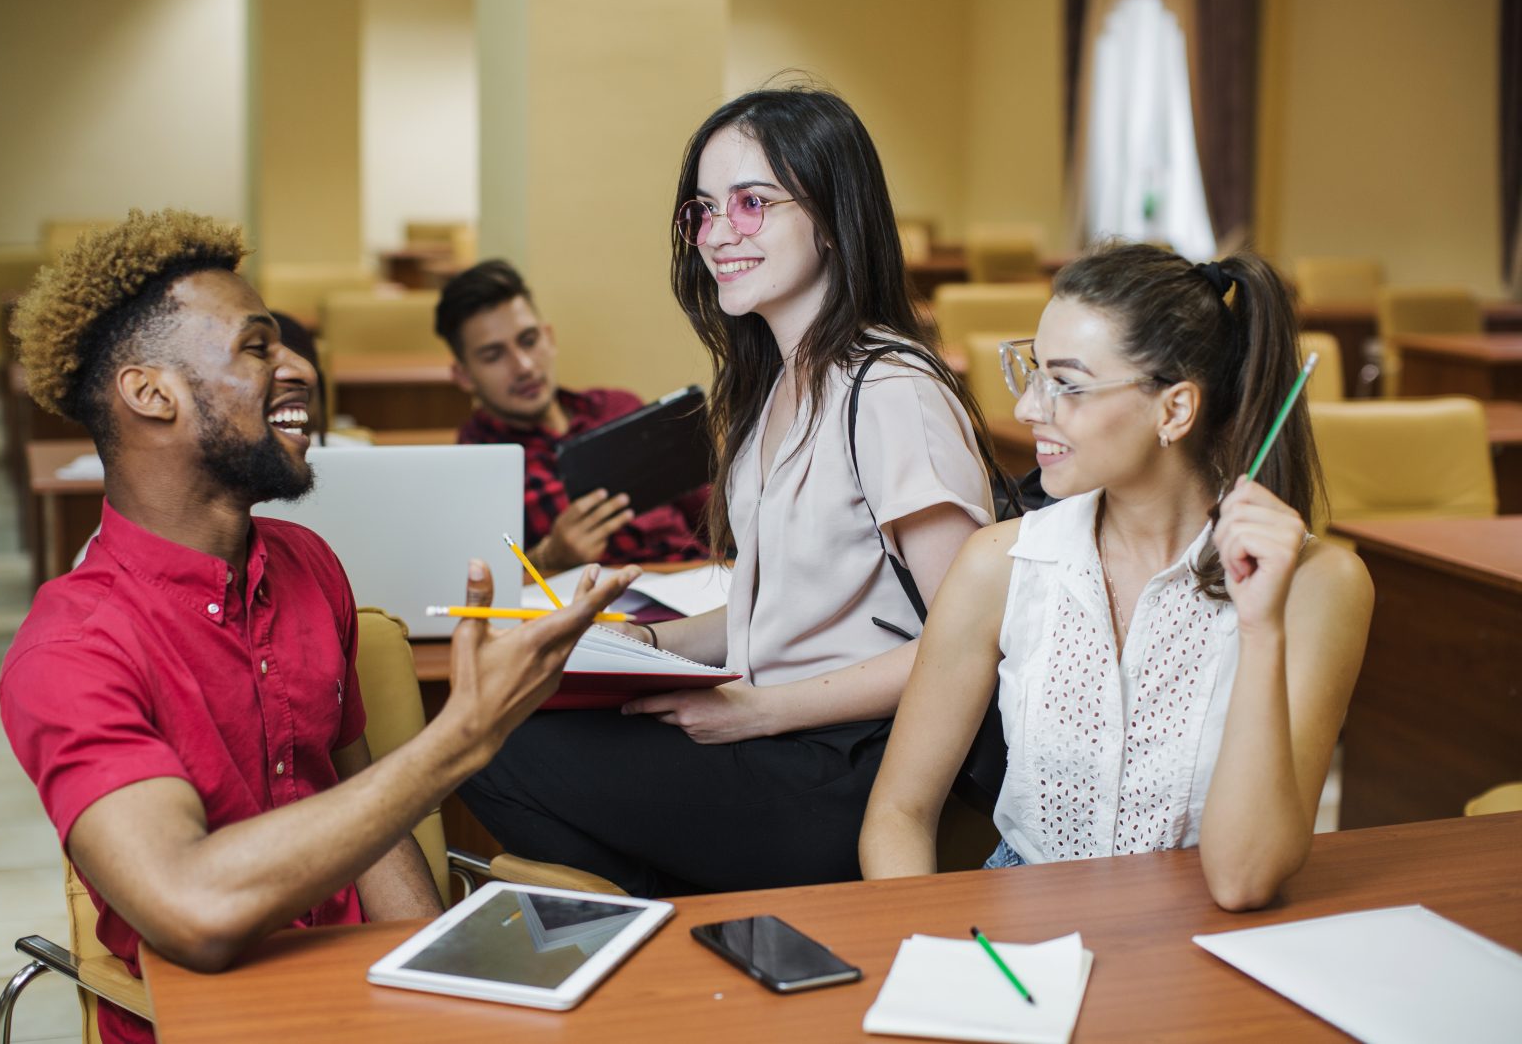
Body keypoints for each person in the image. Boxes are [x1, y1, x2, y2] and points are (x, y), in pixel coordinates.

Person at [0, 209, 635, 1044]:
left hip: (366, 999)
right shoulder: (69, 650)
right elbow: (192, 906)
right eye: (257, 347)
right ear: (151, 392)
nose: (299, 366)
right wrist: (464, 735)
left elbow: (365, 816)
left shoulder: (308, 566)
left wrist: (438, 996)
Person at [458, 87, 1007, 896]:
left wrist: (762, 710)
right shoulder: (776, 385)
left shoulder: (888, 390)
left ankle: (674, 922)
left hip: (854, 759)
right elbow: (782, 601)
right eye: (703, 210)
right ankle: (689, 923)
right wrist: (649, 646)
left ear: (830, 216)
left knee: (481, 742)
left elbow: (972, 643)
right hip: (782, 737)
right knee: (503, 711)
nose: (718, 234)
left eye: (752, 204)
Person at [859, 243, 1374, 911]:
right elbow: (898, 811)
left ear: (1174, 410)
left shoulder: (1318, 585)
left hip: (1203, 945)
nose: (1027, 409)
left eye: (1067, 384)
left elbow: (1243, 879)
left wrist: (1260, 624)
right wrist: (929, 948)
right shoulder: (998, 564)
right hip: (1023, 939)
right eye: (1034, 373)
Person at [434, 259, 709, 574]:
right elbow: (477, 586)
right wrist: (548, 559)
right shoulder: (473, 468)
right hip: (599, 608)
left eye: (529, 340)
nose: (524, 366)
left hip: (700, 581)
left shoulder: (617, 408)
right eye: (494, 356)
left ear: (548, 338)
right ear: (464, 375)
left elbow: (714, 517)